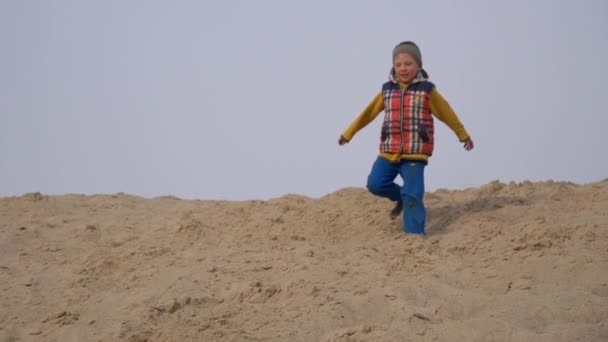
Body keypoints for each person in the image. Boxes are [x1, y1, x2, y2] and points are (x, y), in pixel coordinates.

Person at [338, 41, 474, 235]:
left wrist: (463, 135)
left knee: (413, 194)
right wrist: (348, 133)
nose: (403, 68)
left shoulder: (427, 90)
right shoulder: (387, 90)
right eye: (399, 64)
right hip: (389, 150)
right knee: (375, 183)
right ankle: (399, 198)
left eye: (408, 64)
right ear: (393, 66)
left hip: (415, 152)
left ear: (418, 66)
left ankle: (415, 236)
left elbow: (447, 114)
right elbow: (368, 113)